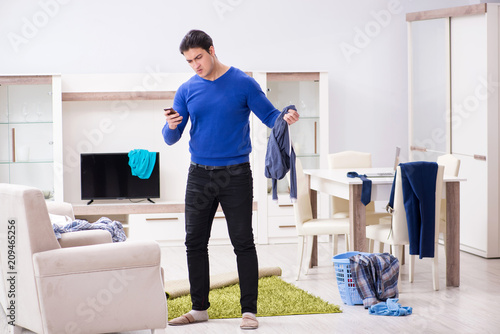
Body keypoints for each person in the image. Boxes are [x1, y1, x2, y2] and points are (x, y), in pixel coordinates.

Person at [163, 29, 299, 330]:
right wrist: (170, 125)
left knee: (243, 242)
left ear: (212, 50)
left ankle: (248, 311)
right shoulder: (187, 90)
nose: (195, 65)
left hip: (236, 174)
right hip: (199, 174)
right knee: (194, 242)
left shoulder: (243, 83)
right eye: (189, 61)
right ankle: (199, 309)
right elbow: (171, 138)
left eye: (198, 57)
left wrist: (288, 114)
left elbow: (272, 116)